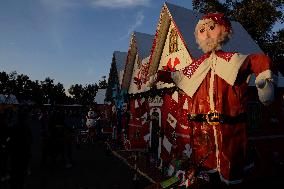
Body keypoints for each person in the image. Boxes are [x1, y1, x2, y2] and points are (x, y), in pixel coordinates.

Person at [155, 13, 276, 185]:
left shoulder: (233, 60)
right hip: (202, 134)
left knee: (231, 174)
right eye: (202, 30)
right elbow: (178, 76)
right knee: (205, 174)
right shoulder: (196, 67)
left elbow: (257, 60)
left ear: (224, 30)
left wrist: (265, 80)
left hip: (230, 133)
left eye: (212, 27)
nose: (207, 33)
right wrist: (160, 75)